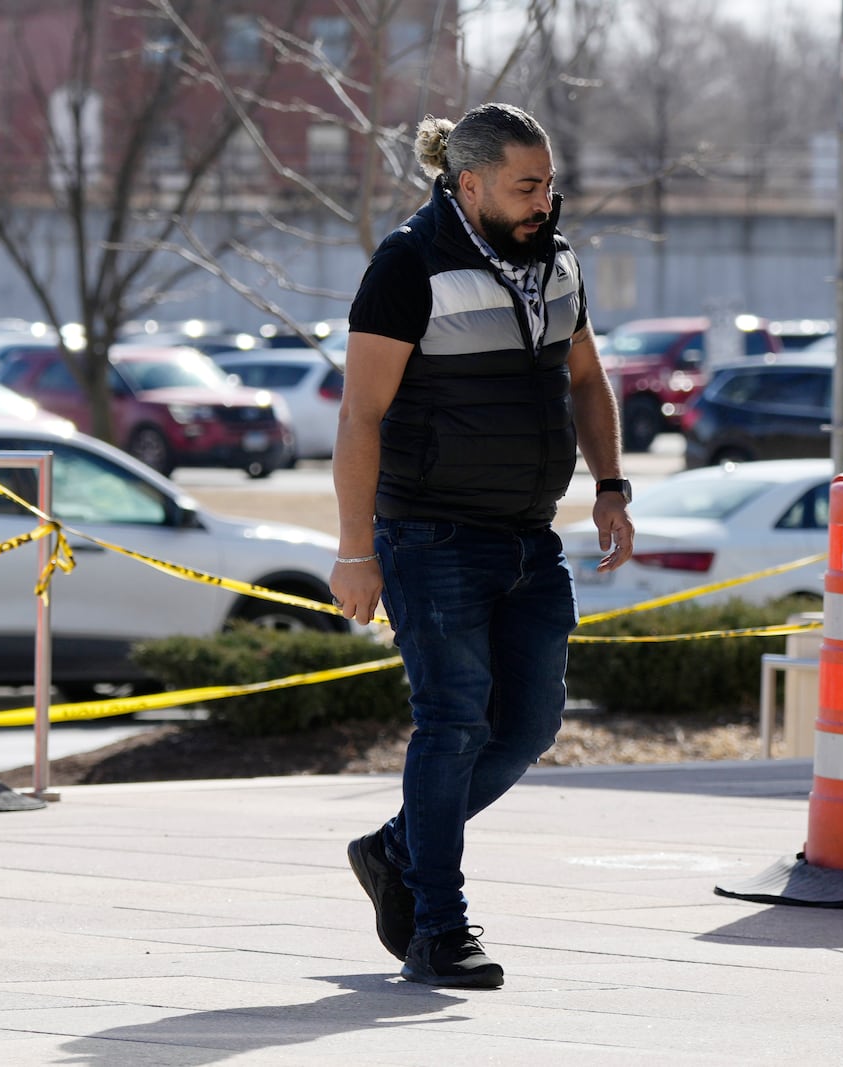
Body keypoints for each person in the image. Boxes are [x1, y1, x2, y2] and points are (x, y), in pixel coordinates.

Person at [329, 103, 634, 990]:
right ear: (469, 183)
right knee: (454, 725)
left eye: (548, 181)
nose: (546, 199)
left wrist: (611, 486)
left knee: (530, 725)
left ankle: (396, 850)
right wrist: (357, 551)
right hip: (429, 536)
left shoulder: (559, 261)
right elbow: (361, 414)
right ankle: (438, 927)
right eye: (526, 185)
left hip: (528, 538)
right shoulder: (407, 263)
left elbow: (586, 379)